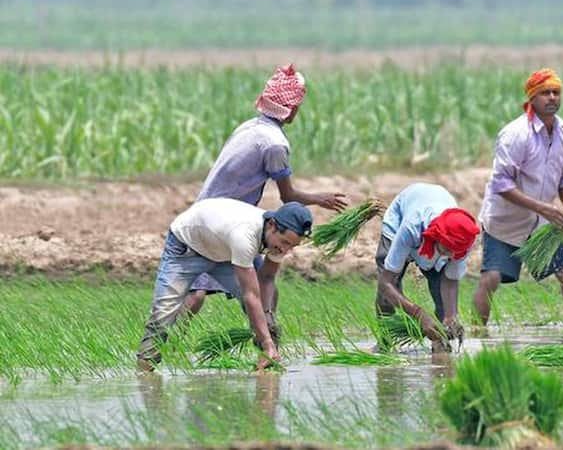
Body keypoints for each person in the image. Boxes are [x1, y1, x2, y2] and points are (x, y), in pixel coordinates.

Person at [182, 64, 347, 333]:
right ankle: (163, 347)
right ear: (292, 110)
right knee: (198, 293)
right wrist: (320, 199)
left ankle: (267, 342)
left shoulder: (250, 127)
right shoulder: (274, 145)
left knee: (262, 284)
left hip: (221, 214)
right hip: (216, 221)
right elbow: (288, 196)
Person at [136, 198, 313, 372]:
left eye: (293, 246)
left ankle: (267, 360)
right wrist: (267, 339)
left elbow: (266, 278)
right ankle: (145, 370)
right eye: (285, 243)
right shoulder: (244, 235)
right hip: (187, 247)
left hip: (224, 253)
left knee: (266, 306)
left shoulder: (278, 241)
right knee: (164, 311)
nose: (286, 250)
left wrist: (268, 317)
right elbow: (250, 295)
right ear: (272, 225)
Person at [472, 68, 563, 326]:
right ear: (532, 98)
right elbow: (501, 183)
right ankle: (476, 336)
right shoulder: (516, 134)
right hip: (505, 222)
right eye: (545, 93)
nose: (552, 98)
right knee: (491, 278)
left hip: (542, 226)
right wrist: (546, 209)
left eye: (556, 92)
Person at [375, 183, 480, 352]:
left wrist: (451, 317)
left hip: (437, 229)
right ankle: (385, 343)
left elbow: (450, 280)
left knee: (442, 299)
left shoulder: (463, 240)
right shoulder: (411, 228)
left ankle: (440, 348)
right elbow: (385, 283)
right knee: (386, 299)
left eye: (455, 253)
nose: (451, 257)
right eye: (447, 250)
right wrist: (418, 314)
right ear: (436, 238)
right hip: (400, 222)